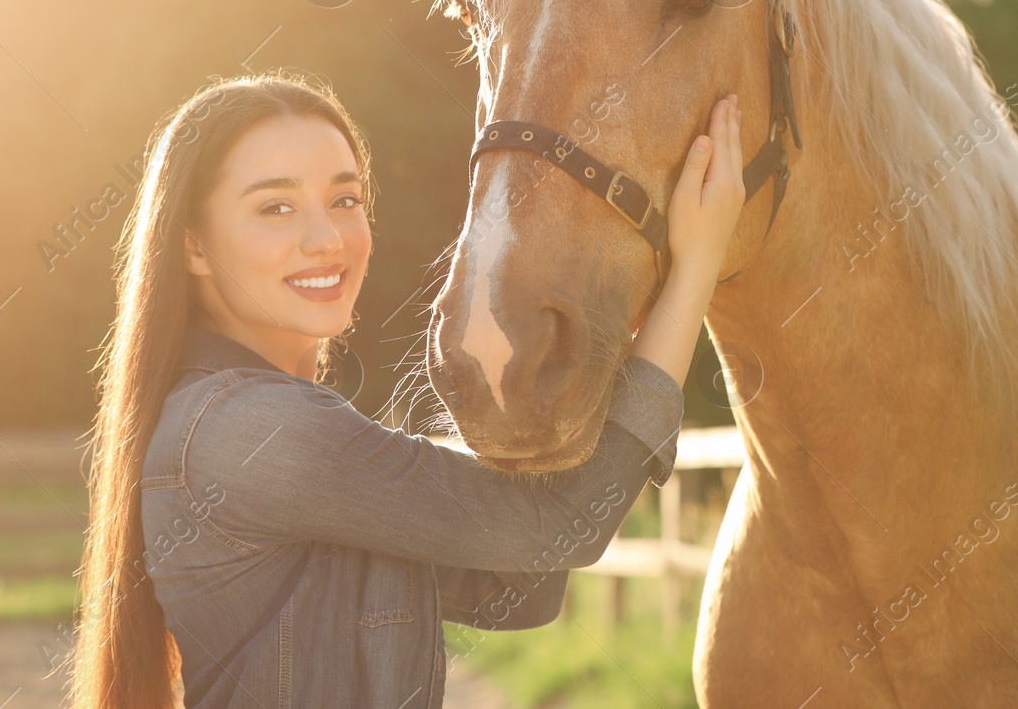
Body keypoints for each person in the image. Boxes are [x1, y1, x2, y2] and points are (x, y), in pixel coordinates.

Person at [68, 71, 746, 709]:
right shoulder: (253, 429)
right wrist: (696, 266)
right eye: (275, 207)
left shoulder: (255, 425)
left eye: (345, 199)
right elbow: (555, 528)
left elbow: (518, 583)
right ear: (194, 245)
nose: (325, 237)